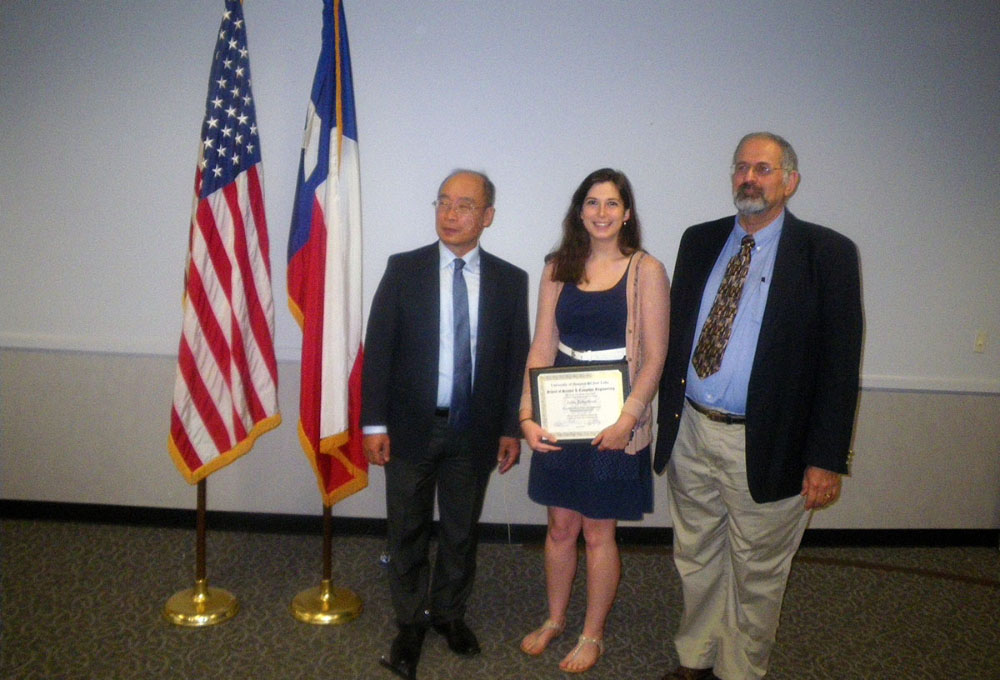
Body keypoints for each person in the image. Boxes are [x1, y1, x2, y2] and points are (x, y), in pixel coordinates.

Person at [654, 133, 863, 680]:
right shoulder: (698, 241)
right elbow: (677, 337)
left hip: (771, 442)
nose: (750, 177)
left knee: (757, 572)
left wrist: (825, 456)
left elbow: (841, 366)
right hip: (693, 431)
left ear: (789, 182)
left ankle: (740, 671)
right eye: (742, 167)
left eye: (764, 169)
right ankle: (695, 657)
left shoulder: (829, 254)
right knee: (695, 555)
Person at [361, 170, 530, 680]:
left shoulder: (509, 280)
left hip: (473, 431)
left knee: (460, 530)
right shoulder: (404, 269)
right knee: (406, 527)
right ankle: (410, 623)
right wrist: (374, 423)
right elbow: (379, 350)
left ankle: (450, 615)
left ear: (487, 217)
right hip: (411, 426)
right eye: (443, 203)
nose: (450, 214)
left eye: (464, 205)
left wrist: (510, 427)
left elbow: (513, 357)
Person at [518, 168, 670, 674]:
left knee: (599, 531)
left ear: (627, 213)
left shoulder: (646, 270)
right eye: (591, 202)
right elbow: (541, 345)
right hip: (560, 406)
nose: (601, 213)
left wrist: (628, 419)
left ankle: (592, 633)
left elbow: (654, 357)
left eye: (611, 203)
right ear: (579, 211)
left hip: (613, 416)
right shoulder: (557, 266)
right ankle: (556, 619)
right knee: (561, 526)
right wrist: (526, 412)